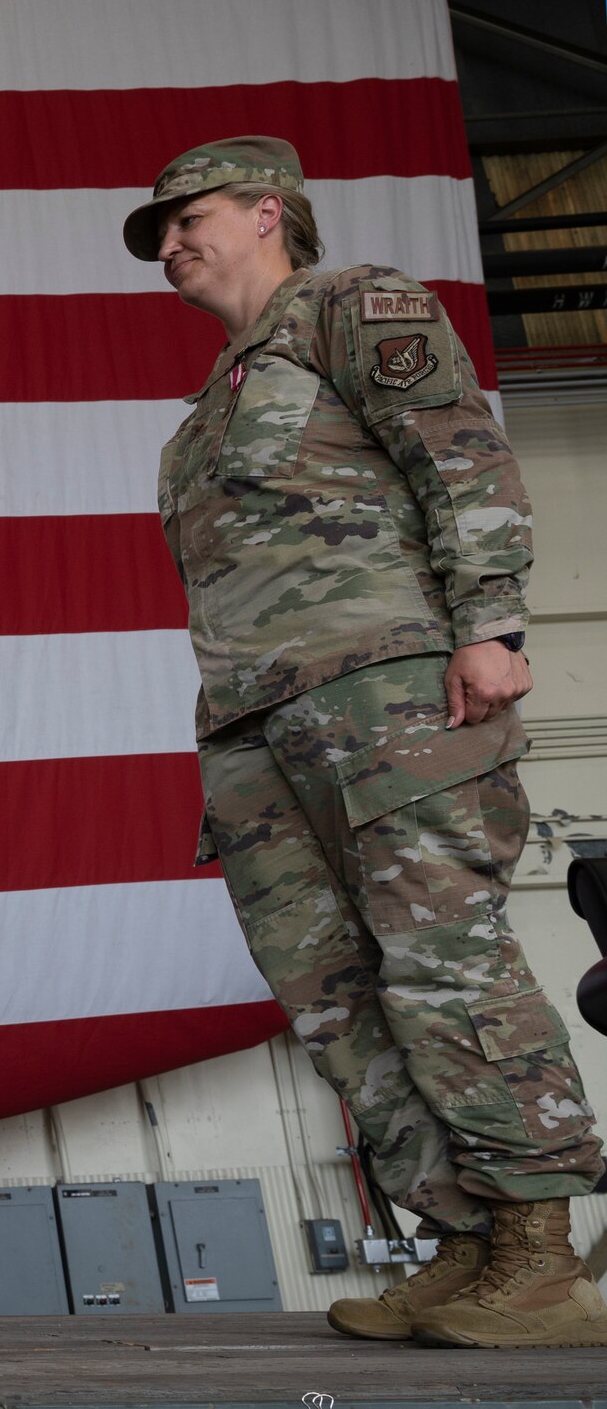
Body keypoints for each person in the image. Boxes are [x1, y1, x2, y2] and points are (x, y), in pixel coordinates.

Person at [127, 136, 605, 1349]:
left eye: (191, 217)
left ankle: (538, 1247)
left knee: (443, 960)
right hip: (255, 727)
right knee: (332, 996)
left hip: (389, 694)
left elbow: (455, 451)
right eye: (161, 229)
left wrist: (490, 621)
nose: (172, 241)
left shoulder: (351, 306)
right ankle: (461, 1240)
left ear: (268, 211)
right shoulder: (210, 404)